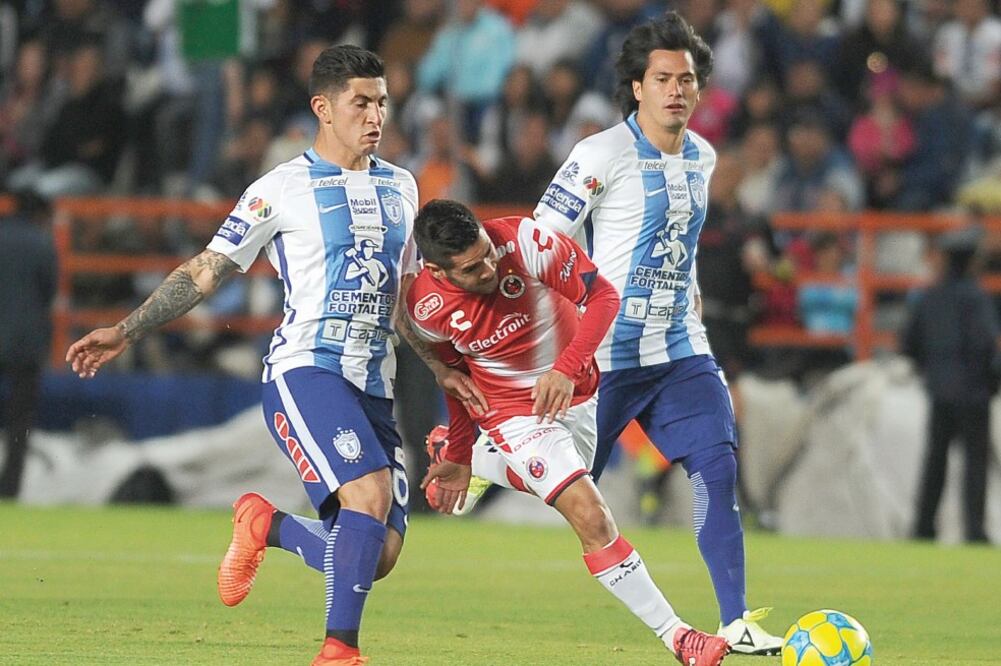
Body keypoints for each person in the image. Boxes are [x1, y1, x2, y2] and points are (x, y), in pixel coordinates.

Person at [65, 45, 484, 666]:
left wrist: (440, 362)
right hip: (305, 370)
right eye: (360, 103)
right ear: (323, 107)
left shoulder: (403, 187)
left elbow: (400, 299)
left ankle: (268, 525)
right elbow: (209, 269)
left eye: (383, 103)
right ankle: (339, 651)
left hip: (375, 380)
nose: (376, 117)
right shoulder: (280, 188)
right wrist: (128, 328)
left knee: (381, 553)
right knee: (366, 499)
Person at [529, 11, 783, 655]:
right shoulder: (599, 154)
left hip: (679, 350)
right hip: (603, 356)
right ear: (637, 87)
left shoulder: (703, 155)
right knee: (561, 480)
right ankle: (475, 450)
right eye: (663, 78)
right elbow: (540, 241)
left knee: (718, 468)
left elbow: (680, 238)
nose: (676, 90)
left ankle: (736, 620)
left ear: (700, 90)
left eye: (687, 79)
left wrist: (687, 284)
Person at [408, 199, 731, 666]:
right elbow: (461, 384)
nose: (489, 268)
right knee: (592, 517)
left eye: (486, 253)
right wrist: (459, 447)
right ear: (438, 271)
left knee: (569, 486)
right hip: (514, 416)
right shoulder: (426, 307)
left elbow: (603, 296)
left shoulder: (524, 241)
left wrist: (565, 368)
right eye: (472, 268)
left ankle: (486, 461)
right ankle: (679, 636)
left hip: (579, 392)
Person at [902, 225, 998, 544]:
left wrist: (931, 371)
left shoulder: (930, 297)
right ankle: (974, 529)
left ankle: (924, 526)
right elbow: (987, 344)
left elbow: (909, 343)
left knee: (935, 461)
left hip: (939, 389)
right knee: (974, 464)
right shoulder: (978, 298)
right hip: (973, 391)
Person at [0, 189, 57, 498]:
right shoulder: (41, 243)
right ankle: (9, 490)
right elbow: (48, 292)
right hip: (25, 343)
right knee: (18, 423)